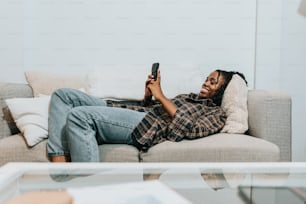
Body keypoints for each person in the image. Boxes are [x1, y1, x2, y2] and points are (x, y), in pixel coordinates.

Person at [47, 69, 247, 162]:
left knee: (79, 116)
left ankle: (83, 184)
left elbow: (187, 129)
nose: (205, 83)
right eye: (206, 79)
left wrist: (160, 96)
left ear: (223, 90)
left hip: (145, 126)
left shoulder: (216, 114)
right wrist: (149, 96)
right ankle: (59, 164)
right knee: (62, 95)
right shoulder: (190, 97)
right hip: (132, 111)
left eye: (213, 82)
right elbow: (153, 109)